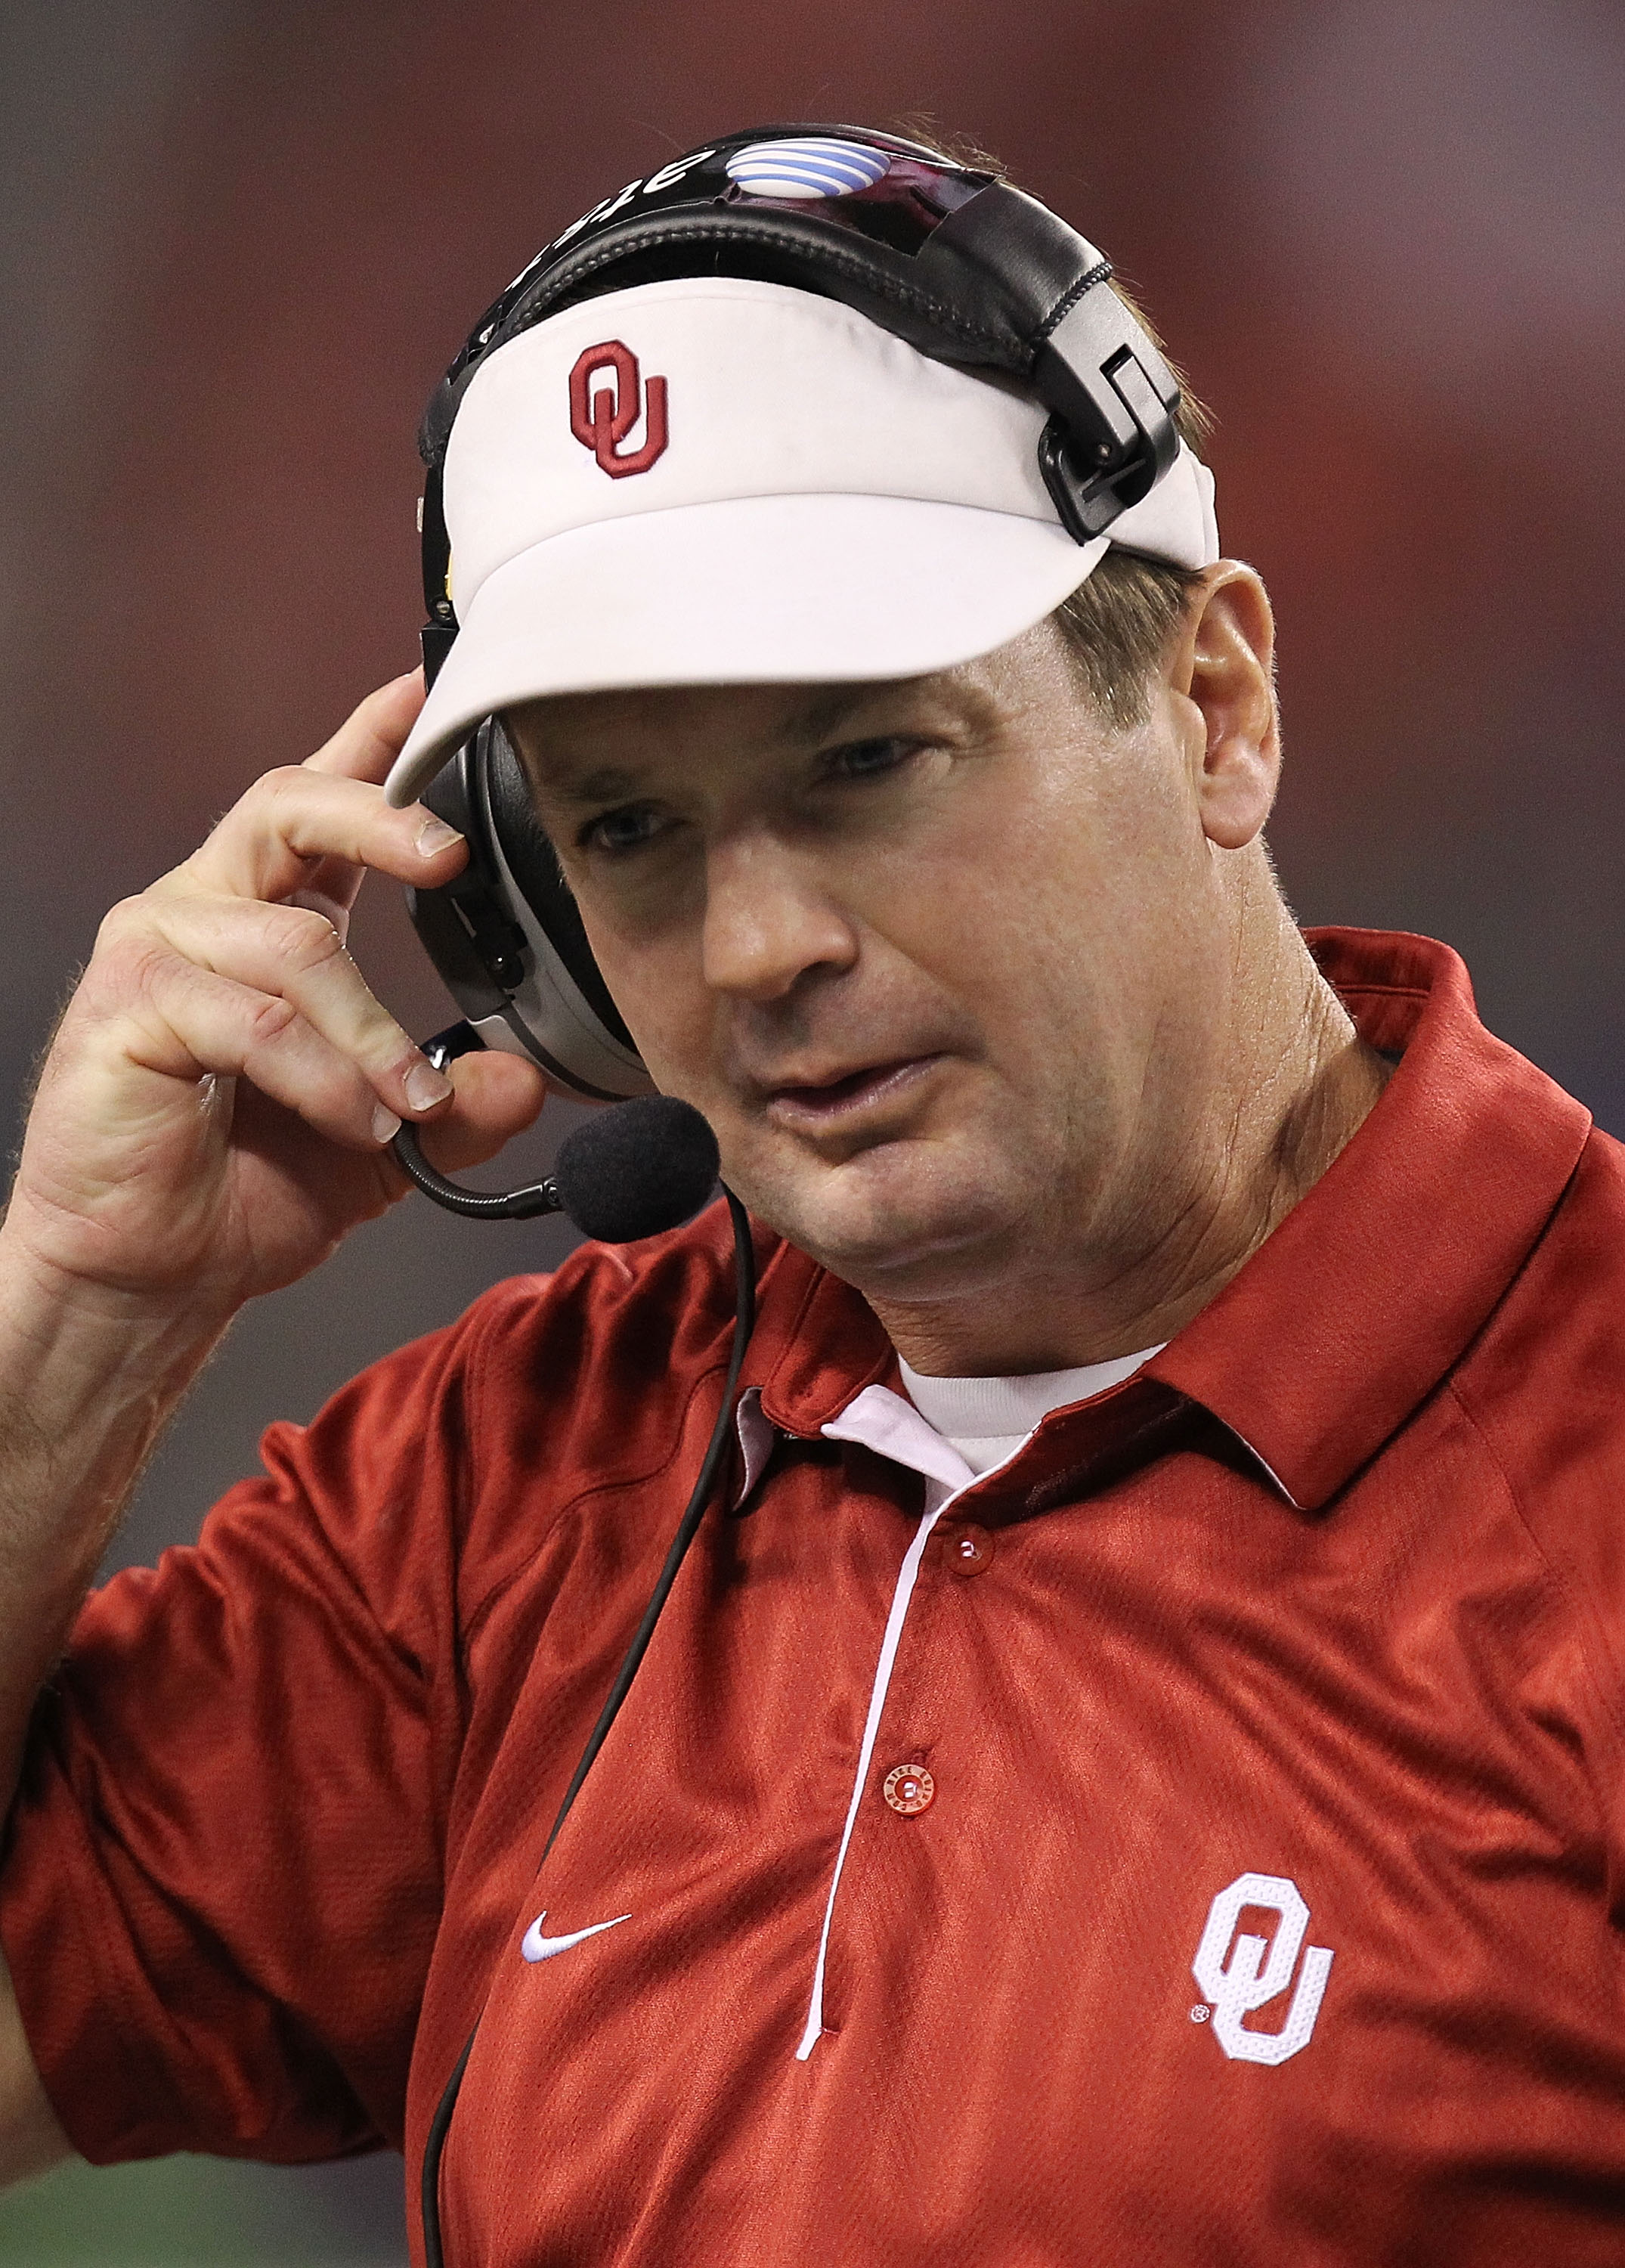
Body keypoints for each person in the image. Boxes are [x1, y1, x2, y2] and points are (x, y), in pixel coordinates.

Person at [2, 122, 1623, 2268]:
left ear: (1217, 706)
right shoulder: (516, 1486)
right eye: (632, 836)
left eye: (866, 762)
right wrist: (78, 1323)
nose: (757, 948)